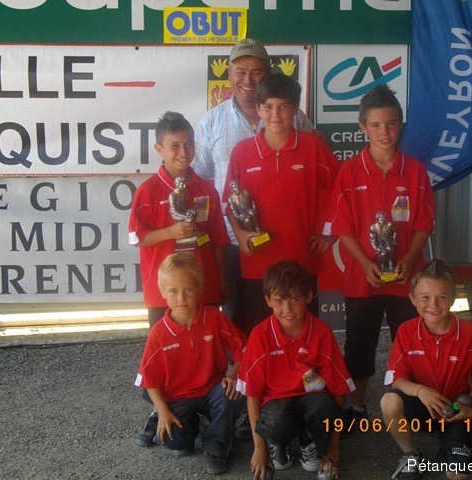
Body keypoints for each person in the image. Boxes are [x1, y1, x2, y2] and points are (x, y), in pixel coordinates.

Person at [326, 84, 435, 424]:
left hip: (407, 276)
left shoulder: (415, 170)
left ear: (400, 124)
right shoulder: (349, 171)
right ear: (363, 127)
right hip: (364, 278)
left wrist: (408, 259)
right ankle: (357, 406)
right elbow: (342, 227)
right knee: (360, 343)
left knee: (413, 342)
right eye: (375, 125)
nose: (383, 132)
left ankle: (416, 405)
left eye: (390, 124)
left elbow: (424, 224)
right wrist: (364, 263)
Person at [193, 38, 314, 331]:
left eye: (256, 71)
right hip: (234, 243)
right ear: (229, 74)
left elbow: (316, 172)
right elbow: (197, 178)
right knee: (240, 321)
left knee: (292, 318)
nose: (248, 80)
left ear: (268, 74)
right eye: (240, 71)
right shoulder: (211, 121)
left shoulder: (296, 118)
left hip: (286, 241)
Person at [128, 111, 230, 447]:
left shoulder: (206, 189)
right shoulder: (148, 190)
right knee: (164, 359)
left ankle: (212, 411)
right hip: (165, 296)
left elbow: (218, 240)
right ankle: (161, 411)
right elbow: (136, 237)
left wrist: (220, 281)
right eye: (175, 145)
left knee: (206, 356)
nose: (183, 152)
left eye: (188, 144)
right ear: (159, 148)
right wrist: (170, 232)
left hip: (203, 290)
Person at [222, 73, 340, 332]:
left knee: (305, 330)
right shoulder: (242, 152)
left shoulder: (312, 146)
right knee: (260, 332)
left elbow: (341, 189)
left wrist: (330, 233)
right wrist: (240, 234)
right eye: (268, 106)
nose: (275, 114)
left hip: (302, 258)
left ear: (295, 109)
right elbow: (231, 204)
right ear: (258, 109)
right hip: (258, 263)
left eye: (283, 106)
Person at [236, 260, 354, 480]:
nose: (287, 309)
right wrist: (259, 448)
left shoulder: (322, 333)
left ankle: (309, 439)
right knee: (276, 421)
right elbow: (252, 394)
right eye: (279, 301)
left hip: (313, 399)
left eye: (294, 299)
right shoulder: (260, 336)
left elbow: (339, 392)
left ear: (309, 296)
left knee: (325, 408)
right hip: (276, 405)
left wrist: (332, 450)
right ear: (268, 300)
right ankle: (278, 443)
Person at [380, 259, 472, 480]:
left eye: (442, 297)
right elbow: (397, 379)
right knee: (389, 401)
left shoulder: (469, 332)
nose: (433, 305)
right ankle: (410, 454)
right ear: (413, 299)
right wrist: (421, 391)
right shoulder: (405, 331)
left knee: (457, 475)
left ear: (453, 299)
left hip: (453, 409)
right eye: (425, 297)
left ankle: (452, 443)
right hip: (420, 404)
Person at [134, 253, 246, 476]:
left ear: (200, 288)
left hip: (212, 388)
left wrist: (234, 375)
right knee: (174, 442)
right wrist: (163, 411)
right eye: (173, 291)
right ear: (162, 291)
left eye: (189, 290)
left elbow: (244, 351)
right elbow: (149, 381)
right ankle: (191, 424)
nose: (181, 298)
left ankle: (216, 446)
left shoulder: (214, 318)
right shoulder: (159, 332)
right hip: (177, 396)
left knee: (236, 392)